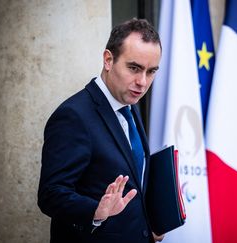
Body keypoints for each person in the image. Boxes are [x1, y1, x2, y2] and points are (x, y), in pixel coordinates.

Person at [38, 18, 164, 243]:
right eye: (134, 68)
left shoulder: (129, 106)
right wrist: (96, 211)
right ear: (108, 60)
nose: (142, 82)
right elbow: (51, 194)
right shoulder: (73, 116)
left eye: (151, 71)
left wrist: (149, 225)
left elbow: (134, 182)